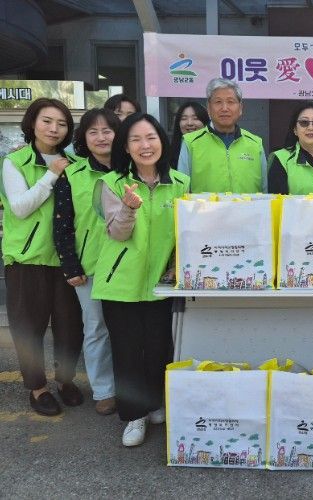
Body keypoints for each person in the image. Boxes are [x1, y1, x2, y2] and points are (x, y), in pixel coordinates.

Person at [91, 113, 189, 446]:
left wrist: (176, 266)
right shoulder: (112, 183)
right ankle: (134, 415)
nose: (145, 145)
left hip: (161, 283)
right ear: (126, 147)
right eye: (135, 139)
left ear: (162, 141)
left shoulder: (180, 182)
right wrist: (128, 208)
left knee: (160, 346)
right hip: (121, 283)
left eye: (151, 137)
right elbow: (117, 233)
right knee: (128, 350)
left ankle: (154, 402)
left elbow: (183, 232)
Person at [0, 98, 84, 416]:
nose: (54, 128)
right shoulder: (15, 161)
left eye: (61, 123)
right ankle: (37, 388)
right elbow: (20, 208)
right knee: (29, 328)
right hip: (28, 259)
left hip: (66, 258)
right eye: (47, 121)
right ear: (32, 123)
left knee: (70, 327)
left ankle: (65, 380)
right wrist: (50, 175)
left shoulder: (75, 163)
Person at [53, 108, 119, 415]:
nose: (101, 137)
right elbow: (62, 223)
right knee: (96, 329)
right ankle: (104, 391)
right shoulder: (72, 174)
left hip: (129, 266)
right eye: (93, 131)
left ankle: (133, 387)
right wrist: (70, 265)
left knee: (129, 330)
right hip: (90, 266)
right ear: (84, 138)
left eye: (107, 130)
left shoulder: (131, 170)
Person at [177, 78, 266, 193]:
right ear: (209, 108)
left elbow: (265, 191)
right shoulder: (191, 142)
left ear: (240, 108)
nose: (224, 108)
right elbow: (182, 191)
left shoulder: (255, 143)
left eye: (230, 102)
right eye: (218, 102)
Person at [267, 101, 313, 195]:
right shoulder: (281, 159)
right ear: (295, 130)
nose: (310, 128)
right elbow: (277, 200)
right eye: (304, 122)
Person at [169, 101, 209, 168]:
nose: (189, 123)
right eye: (184, 118)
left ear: (205, 122)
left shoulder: (212, 150)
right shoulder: (168, 152)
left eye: (195, 118)